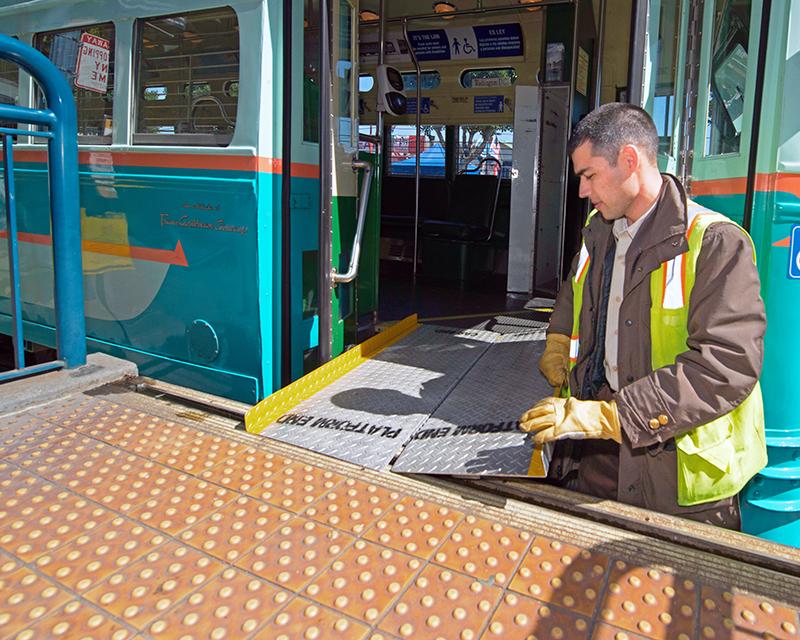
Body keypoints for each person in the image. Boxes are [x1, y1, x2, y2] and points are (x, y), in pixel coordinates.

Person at [519, 103, 767, 529]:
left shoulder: (714, 242)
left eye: (590, 175)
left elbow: (726, 363)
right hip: (596, 453)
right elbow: (574, 290)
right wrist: (559, 338)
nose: (582, 191)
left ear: (630, 160)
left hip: (677, 476)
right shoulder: (601, 229)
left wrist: (616, 416)